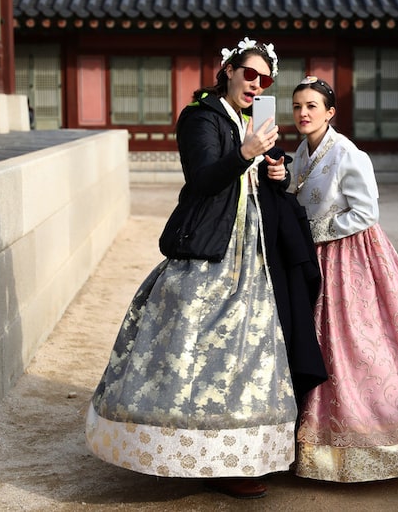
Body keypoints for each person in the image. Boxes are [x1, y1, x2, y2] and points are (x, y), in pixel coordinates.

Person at [85, 37, 323, 500]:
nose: (256, 84)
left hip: (253, 246)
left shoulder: (250, 118)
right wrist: (245, 152)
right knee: (198, 343)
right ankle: (188, 452)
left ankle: (241, 454)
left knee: (252, 348)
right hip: (212, 247)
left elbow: (254, 174)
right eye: (249, 74)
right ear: (229, 71)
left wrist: (273, 170)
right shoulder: (202, 116)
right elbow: (202, 177)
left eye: (265, 79)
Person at [284, 76, 398, 483]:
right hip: (312, 257)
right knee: (312, 338)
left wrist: (315, 232)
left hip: (350, 256)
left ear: (330, 112)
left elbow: (366, 213)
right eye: (298, 106)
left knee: (356, 342)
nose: (303, 113)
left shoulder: (349, 155)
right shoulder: (301, 152)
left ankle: (370, 440)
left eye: (312, 106)